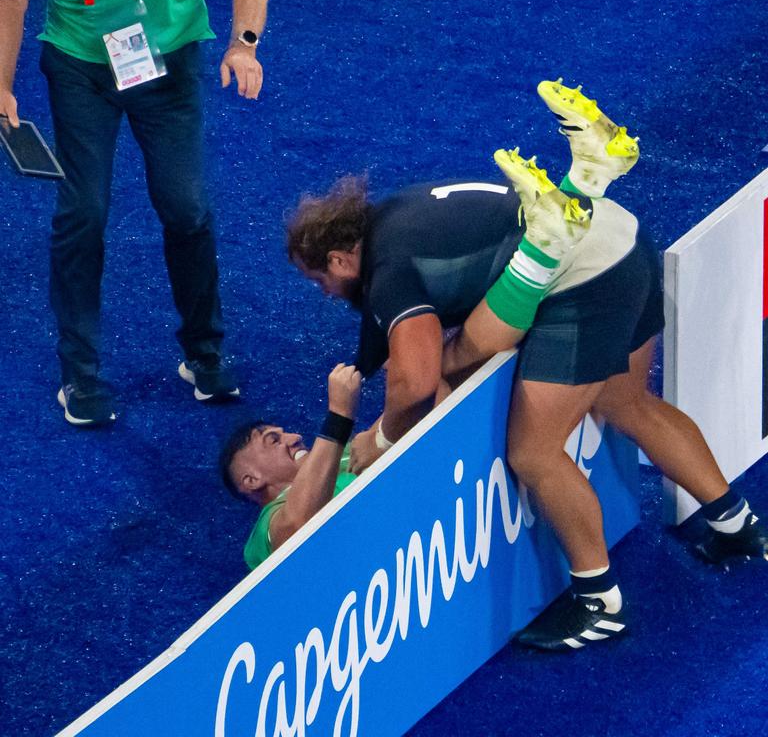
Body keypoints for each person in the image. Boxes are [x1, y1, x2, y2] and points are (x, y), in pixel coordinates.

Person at [285, 79, 768, 650]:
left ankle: (599, 602)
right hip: (620, 235)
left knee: (532, 451)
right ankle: (736, 527)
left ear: (341, 257)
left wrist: (382, 438)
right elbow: (385, 334)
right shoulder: (397, 214)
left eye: (321, 279)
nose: (324, 292)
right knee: (627, 402)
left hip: (587, 281)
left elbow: (415, 379)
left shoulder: (389, 272)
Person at [0, 0, 269, 426]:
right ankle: (81, 376)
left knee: (187, 208)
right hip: (78, 68)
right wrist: (0, 82)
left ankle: (204, 354)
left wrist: (244, 43)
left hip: (166, 60)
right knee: (83, 213)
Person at [221, 363, 361, 568]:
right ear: (252, 480)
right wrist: (339, 417)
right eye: (274, 441)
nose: (295, 437)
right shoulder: (266, 528)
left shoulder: (342, 456)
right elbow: (298, 527)